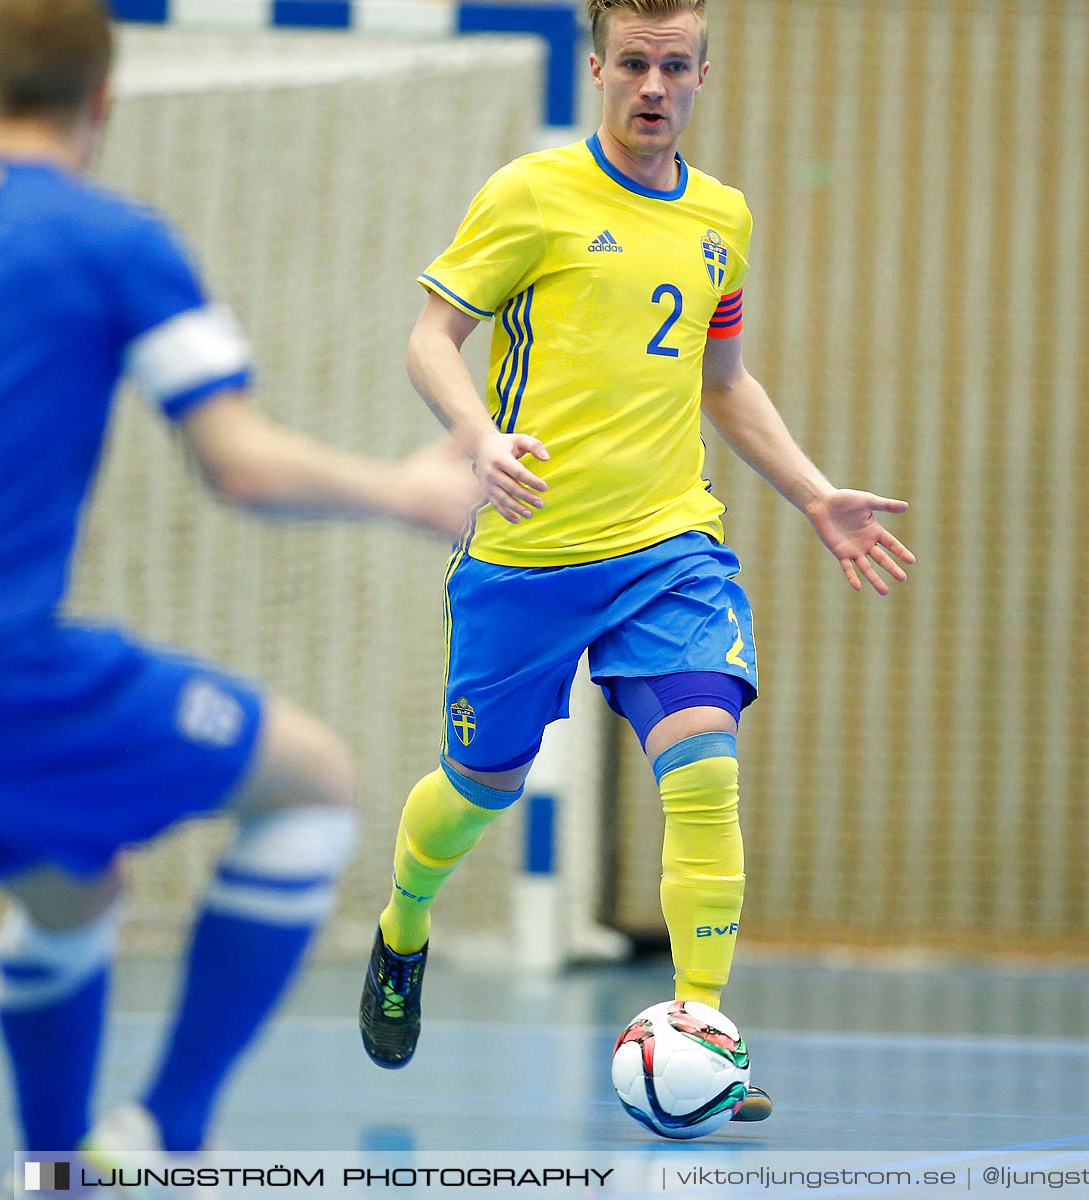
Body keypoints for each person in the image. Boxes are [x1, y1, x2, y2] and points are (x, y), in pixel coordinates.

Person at [0, 0, 479, 1190]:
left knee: (73, 892)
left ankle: (55, 1172)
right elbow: (240, 463)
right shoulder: (117, 243)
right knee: (313, 789)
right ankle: (164, 1134)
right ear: (104, 103)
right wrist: (405, 491)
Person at [356, 0, 915, 1124]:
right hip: (527, 554)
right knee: (480, 793)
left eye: (676, 66)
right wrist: (479, 438)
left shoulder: (722, 217)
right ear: (598, 67)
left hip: (670, 544)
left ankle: (702, 1025)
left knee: (704, 763)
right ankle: (404, 922)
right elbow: (430, 337)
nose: (654, 86)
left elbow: (723, 380)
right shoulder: (533, 195)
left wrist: (815, 494)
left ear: (703, 75)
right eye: (634, 65)